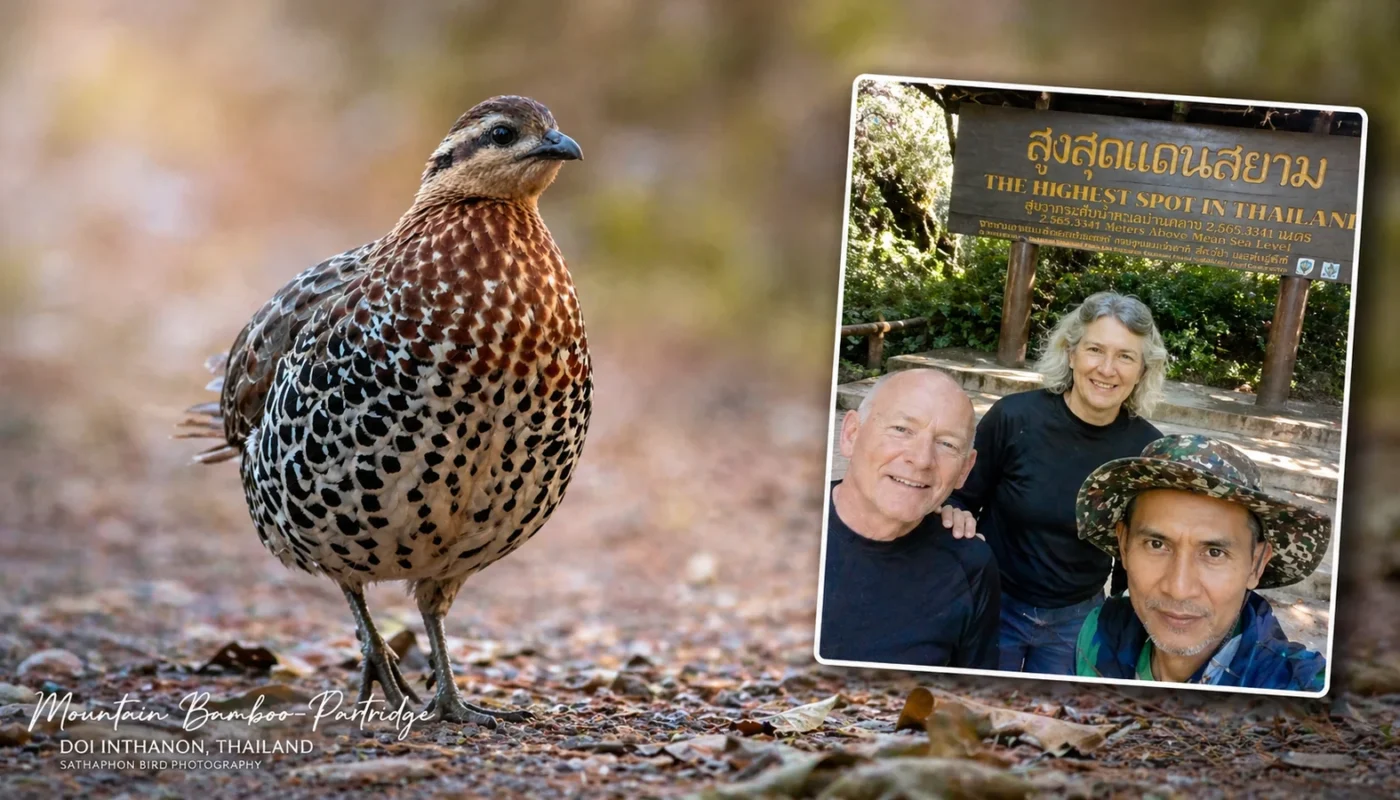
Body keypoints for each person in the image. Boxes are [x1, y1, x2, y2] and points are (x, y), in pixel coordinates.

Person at [945, 291, 1167, 675]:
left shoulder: (1146, 450)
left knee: (1050, 721)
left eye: (1126, 356)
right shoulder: (1013, 418)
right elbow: (960, 496)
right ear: (1071, 353)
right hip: (996, 602)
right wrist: (956, 515)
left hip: (1079, 620)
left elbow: (1141, 542)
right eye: (1095, 349)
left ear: (1142, 371)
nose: (1107, 368)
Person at [1074, 434, 1330, 691]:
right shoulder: (1100, 629)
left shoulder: (1299, 685)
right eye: (1157, 544)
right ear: (1124, 545)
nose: (1179, 588)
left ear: (1256, 564)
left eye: (1214, 552)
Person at [817, 368, 999, 669]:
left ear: (965, 470)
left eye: (947, 444)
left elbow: (969, 701)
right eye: (902, 429)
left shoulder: (970, 568)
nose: (923, 459)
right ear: (851, 434)